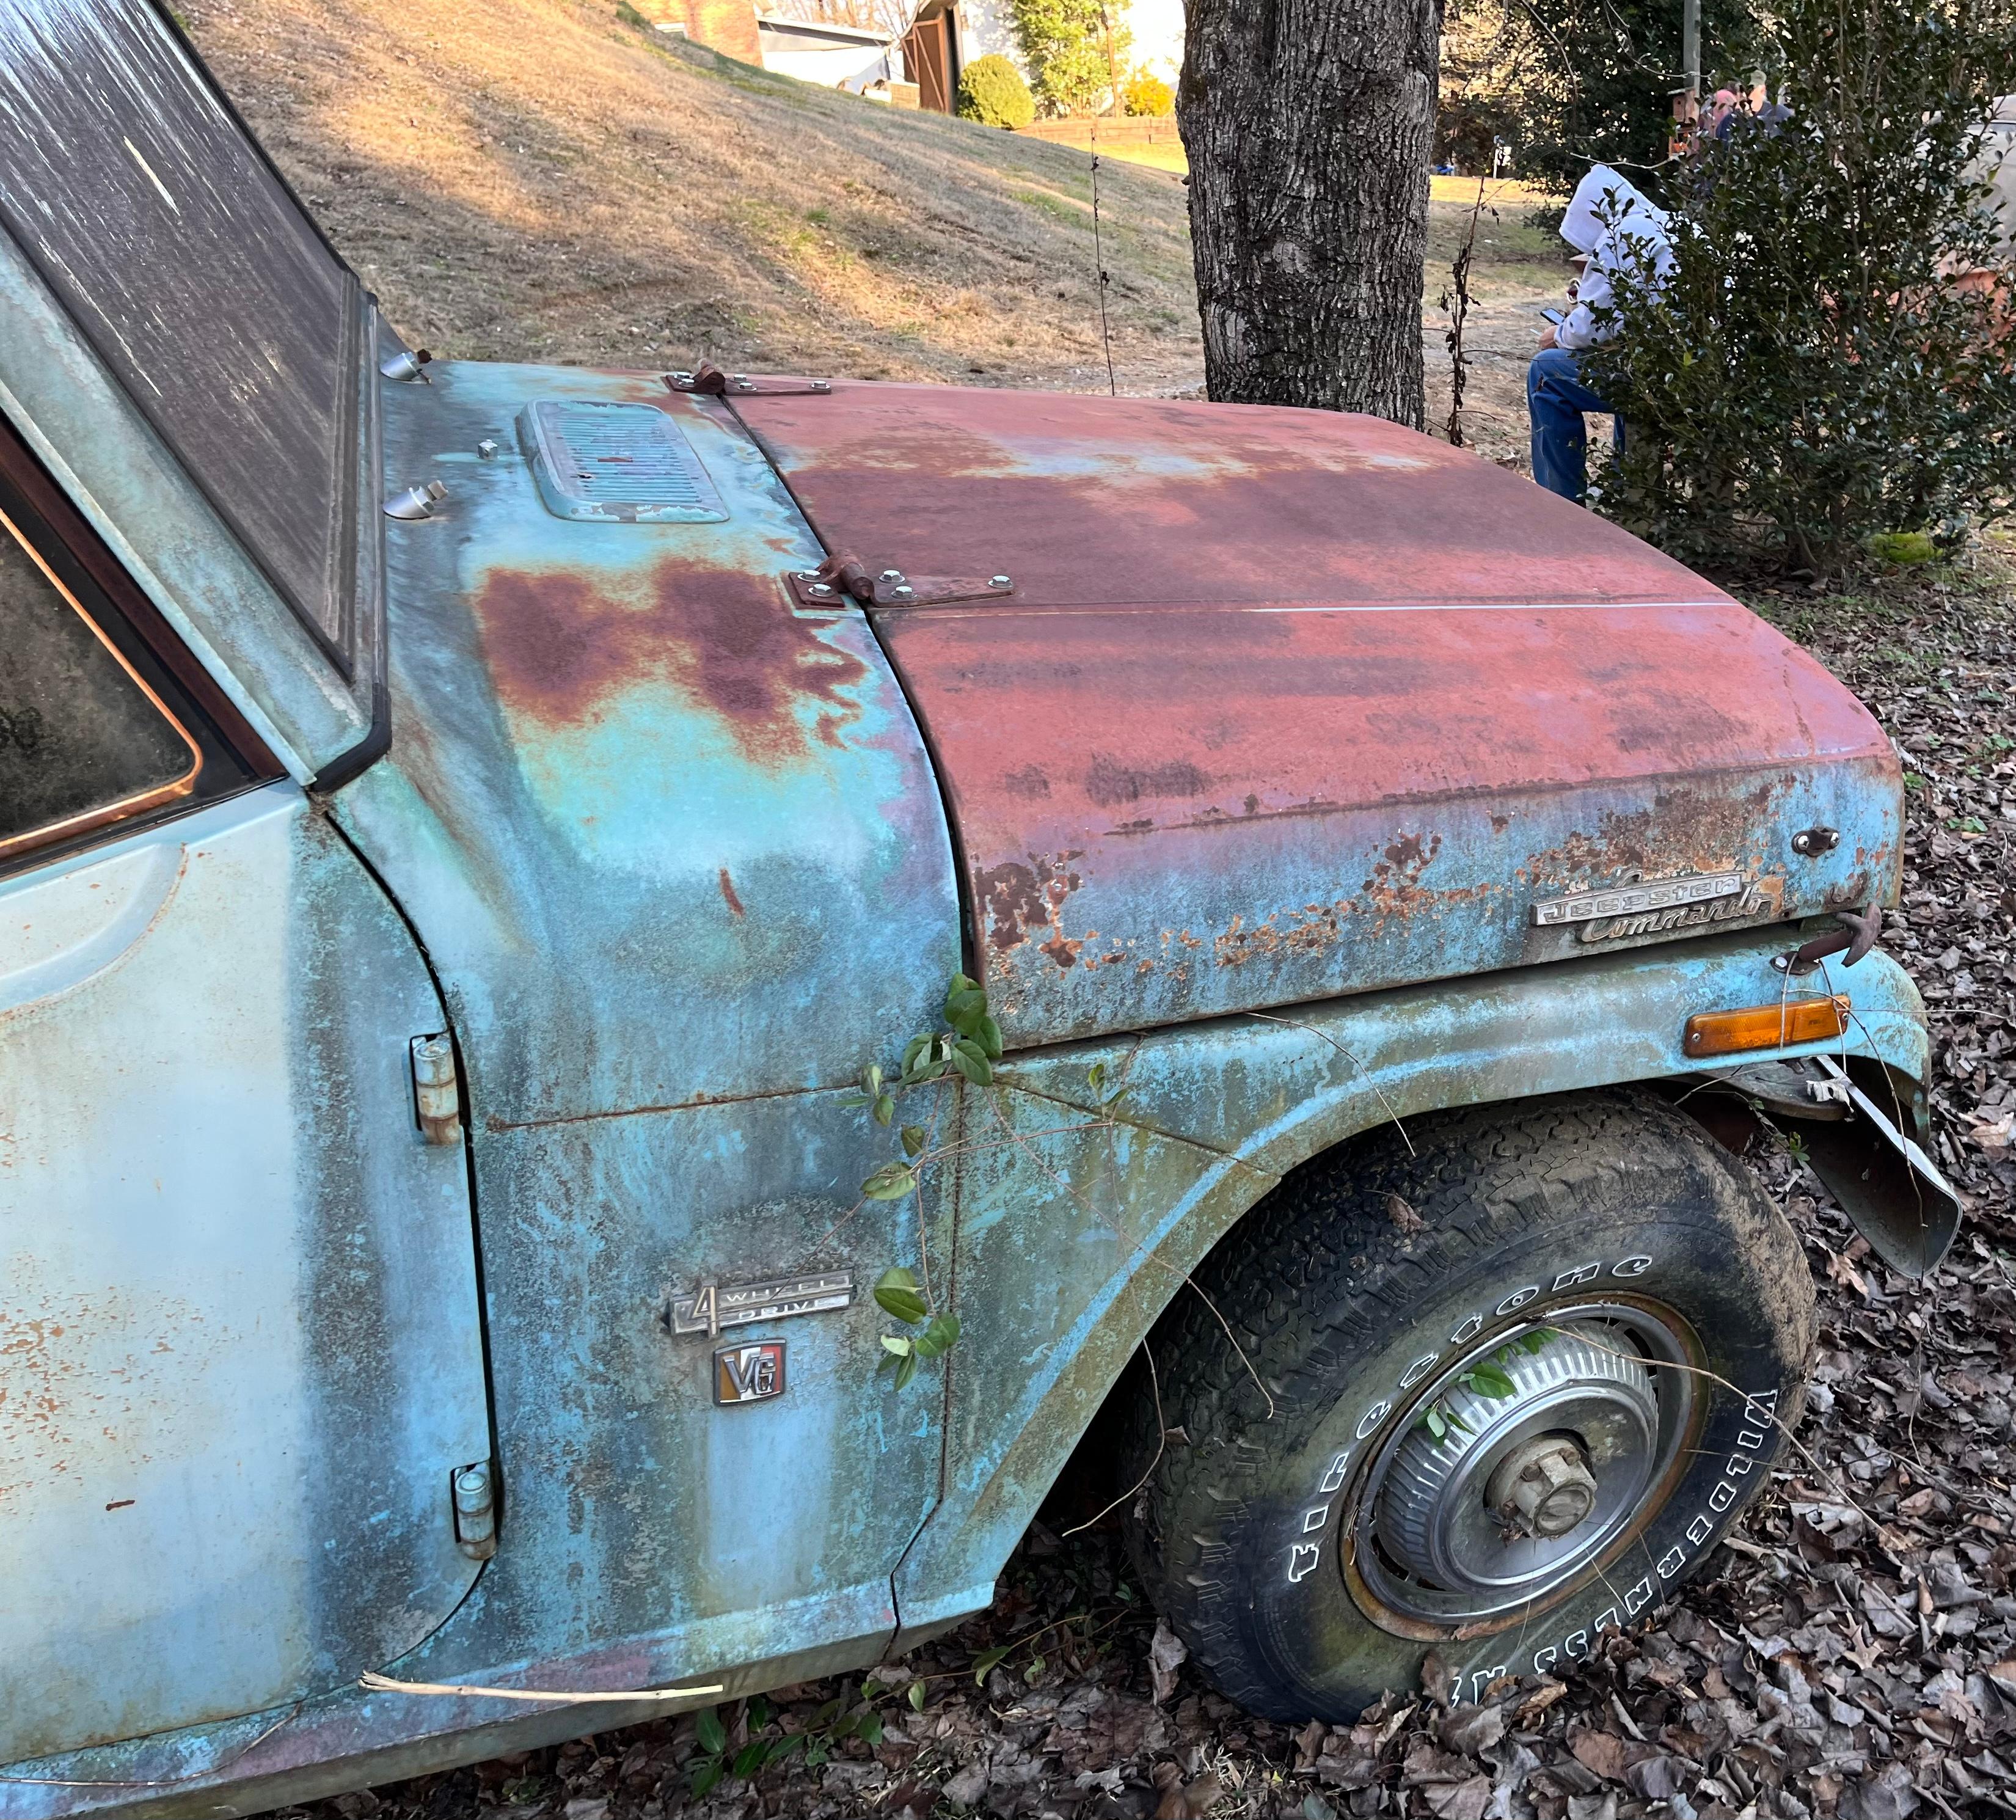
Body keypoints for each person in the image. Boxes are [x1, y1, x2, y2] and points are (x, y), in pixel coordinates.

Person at [1527, 164, 1675, 503]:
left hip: (1661, 379)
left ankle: (1560, 499)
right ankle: (1626, 486)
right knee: (1630, 365)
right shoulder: (1670, 223)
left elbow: (1591, 328)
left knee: (1545, 371)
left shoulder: (1621, 235)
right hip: (1702, 370)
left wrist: (1558, 334)